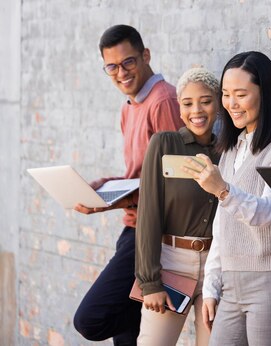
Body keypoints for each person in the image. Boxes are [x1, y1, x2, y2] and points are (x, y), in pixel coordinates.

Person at [73, 24, 184, 345]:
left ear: (145, 55)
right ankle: (140, 306)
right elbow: (141, 173)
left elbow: (178, 179)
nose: (121, 73)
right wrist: (104, 185)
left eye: (128, 62)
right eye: (112, 67)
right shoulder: (130, 106)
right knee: (126, 340)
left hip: (153, 234)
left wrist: (114, 200)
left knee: (92, 319)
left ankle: (147, 304)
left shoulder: (164, 101)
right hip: (132, 228)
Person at [187, 51, 271, 345]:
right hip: (231, 283)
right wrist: (212, 287)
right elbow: (221, 225)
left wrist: (223, 190)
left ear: (264, 94)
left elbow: (268, 213)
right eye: (226, 94)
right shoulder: (232, 148)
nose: (231, 104)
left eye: (240, 94)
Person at [134, 67, 220, 345]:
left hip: (217, 270)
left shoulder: (228, 151)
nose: (197, 110)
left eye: (206, 100)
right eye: (188, 103)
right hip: (172, 265)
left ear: (218, 103)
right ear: (179, 109)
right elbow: (148, 215)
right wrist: (150, 282)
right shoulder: (164, 143)